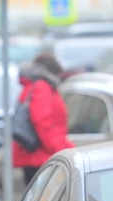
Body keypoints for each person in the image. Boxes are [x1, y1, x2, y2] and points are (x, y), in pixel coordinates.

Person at [12, 52, 74, 186]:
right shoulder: (42, 87)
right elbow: (41, 121)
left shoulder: (34, 86)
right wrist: (58, 148)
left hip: (35, 155)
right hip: (41, 157)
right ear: (52, 72)